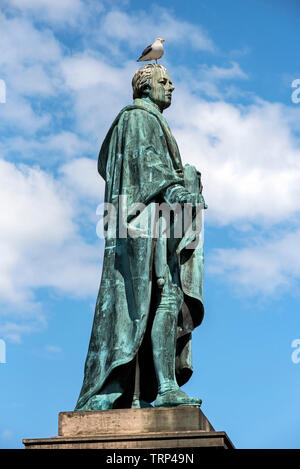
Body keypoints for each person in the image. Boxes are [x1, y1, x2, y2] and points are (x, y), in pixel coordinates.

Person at [75, 64, 206, 411]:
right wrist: (177, 189)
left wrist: (187, 177)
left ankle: (165, 386)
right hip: (140, 220)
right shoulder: (136, 117)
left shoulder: (152, 121)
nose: (172, 86)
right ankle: (158, 386)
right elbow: (144, 165)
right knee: (156, 294)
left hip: (155, 218)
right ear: (146, 87)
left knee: (166, 294)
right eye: (165, 81)